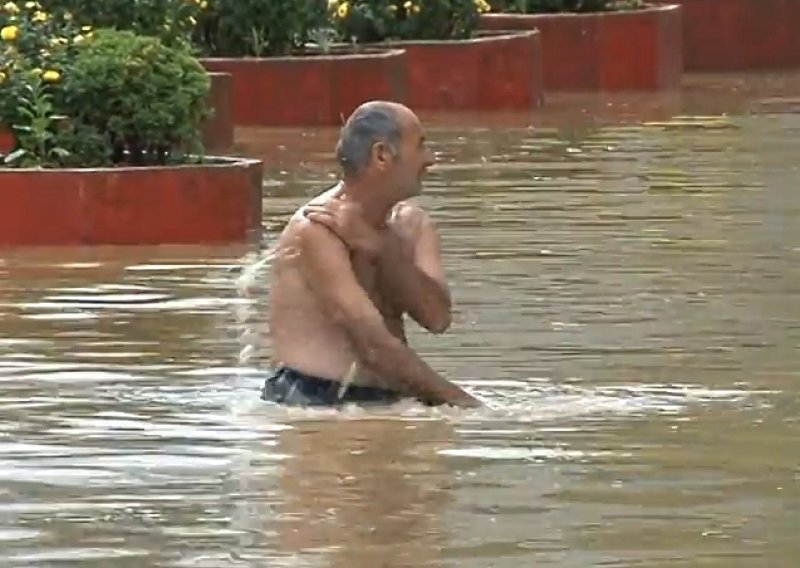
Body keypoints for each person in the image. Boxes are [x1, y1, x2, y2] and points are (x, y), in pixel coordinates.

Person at [262, 100, 481, 409]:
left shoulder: (414, 225)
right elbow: (373, 345)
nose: (431, 159)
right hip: (314, 402)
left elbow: (438, 318)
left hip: (389, 398)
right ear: (382, 155)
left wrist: (381, 246)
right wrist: (467, 405)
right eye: (421, 146)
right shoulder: (315, 230)